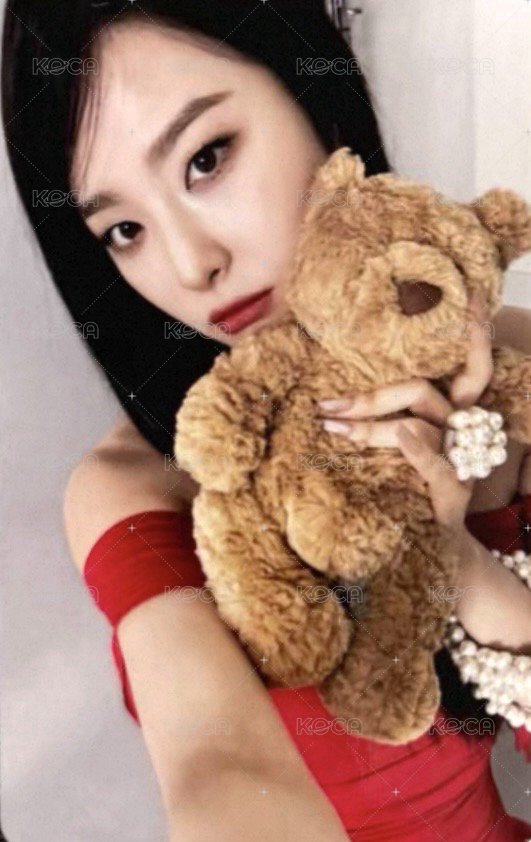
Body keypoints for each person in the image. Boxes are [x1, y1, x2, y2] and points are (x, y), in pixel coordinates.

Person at [3, 2, 531, 839]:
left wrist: (459, 558)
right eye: (124, 229)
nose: (191, 265)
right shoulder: (143, 484)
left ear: (314, 97)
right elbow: (218, 764)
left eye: (205, 158)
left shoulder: (503, 365)